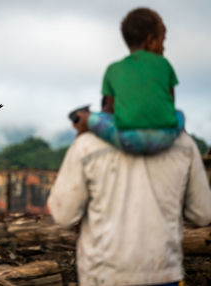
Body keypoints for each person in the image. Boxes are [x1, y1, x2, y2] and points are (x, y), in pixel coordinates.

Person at [48, 110, 211, 284]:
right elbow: (203, 214)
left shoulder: (86, 145)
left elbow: (64, 216)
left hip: (104, 276)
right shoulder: (184, 144)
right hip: (163, 274)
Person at [79, 8, 184, 155]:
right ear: (151, 40)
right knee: (180, 114)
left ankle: (80, 135)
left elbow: (110, 111)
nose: (164, 46)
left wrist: (89, 120)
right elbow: (170, 105)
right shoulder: (165, 65)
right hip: (164, 139)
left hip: (128, 141)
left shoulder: (113, 69)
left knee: (90, 118)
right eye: (162, 40)